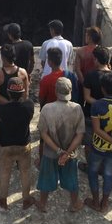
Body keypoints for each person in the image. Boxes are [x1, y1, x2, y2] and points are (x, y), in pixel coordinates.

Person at [36, 77, 85, 213]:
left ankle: (42, 204)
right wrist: (67, 153)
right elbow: (80, 134)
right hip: (70, 154)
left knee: (46, 179)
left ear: (56, 90)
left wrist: (58, 151)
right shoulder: (77, 108)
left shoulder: (47, 108)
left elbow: (44, 134)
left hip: (50, 153)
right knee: (72, 179)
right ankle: (74, 204)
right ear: (70, 91)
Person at [85, 72, 112, 213]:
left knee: (92, 172)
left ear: (103, 88)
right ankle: (104, 203)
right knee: (108, 174)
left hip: (98, 146)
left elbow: (97, 130)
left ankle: (95, 201)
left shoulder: (97, 105)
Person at [0, 77, 36, 210]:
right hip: (23, 144)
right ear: (22, 92)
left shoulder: (0, 109)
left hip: (6, 145)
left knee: (5, 172)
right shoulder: (29, 106)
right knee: (25, 172)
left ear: (8, 92)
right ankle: (26, 199)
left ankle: (3, 199)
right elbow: (27, 99)